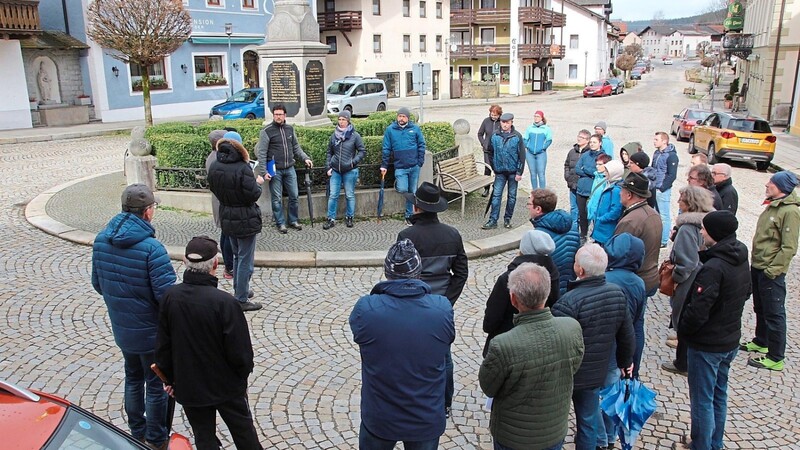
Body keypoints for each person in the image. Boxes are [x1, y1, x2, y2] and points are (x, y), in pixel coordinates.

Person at [154, 236, 261, 450]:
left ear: (185, 262)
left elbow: (163, 344)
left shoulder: (170, 297)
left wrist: (169, 379)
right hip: (227, 385)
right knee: (244, 435)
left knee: (204, 438)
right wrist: (241, 377)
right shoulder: (225, 303)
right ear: (215, 264)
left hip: (189, 384)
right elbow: (240, 352)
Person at [91, 183, 177, 450]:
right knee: (155, 385)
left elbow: (98, 284)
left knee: (132, 377)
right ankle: (156, 438)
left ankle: (135, 432)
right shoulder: (152, 248)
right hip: (151, 332)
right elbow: (166, 296)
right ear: (148, 212)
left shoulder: (101, 240)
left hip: (123, 328)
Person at [350, 239, 455, 449]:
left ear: (388, 272)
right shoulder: (441, 309)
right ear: (418, 271)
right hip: (425, 416)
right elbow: (445, 353)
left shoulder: (367, 309)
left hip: (380, 416)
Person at [480, 263, 584, 450]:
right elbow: (574, 366)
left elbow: (489, 387)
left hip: (513, 437)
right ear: (547, 293)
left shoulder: (503, 344)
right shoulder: (571, 328)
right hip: (553, 431)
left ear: (513, 299)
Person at [678, 210, 750, 450]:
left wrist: (685, 332)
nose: (701, 232)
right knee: (719, 395)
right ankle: (713, 443)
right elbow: (746, 291)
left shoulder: (714, 268)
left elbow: (698, 312)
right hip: (729, 340)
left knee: (702, 401)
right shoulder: (739, 254)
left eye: (705, 229)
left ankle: (701, 445)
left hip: (708, 345)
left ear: (715, 234)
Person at [552, 243, 634, 450]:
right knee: (588, 420)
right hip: (598, 370)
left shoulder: (569, 302)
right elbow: (626, 334)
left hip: (571, 373)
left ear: (580, 270)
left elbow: (556, 342)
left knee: (557, 422)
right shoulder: (617, 293)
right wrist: (626, 362)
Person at [398, 182, 468, 415]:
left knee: (409, 354)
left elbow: (399, 272)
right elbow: (461, 273)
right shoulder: (452, 234)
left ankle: (412, 398)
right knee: (444, 356)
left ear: (416, 208)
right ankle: (445, 402)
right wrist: (447, 300)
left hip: (412, 303)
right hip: (441, 304)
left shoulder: (406, 235)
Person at [741, 171, 800, 371]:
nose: (767, 184)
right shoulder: (773, 204)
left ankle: (775, 356)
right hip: (758, 266)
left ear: (781, 187)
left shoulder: (789, 211)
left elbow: (789, 247)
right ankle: (761, 340)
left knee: (774, 313)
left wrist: (772, 270)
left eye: (772, 182)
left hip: (770, 270)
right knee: (760, 308)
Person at [597, 232, 646, 449]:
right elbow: (637, 326)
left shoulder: (603, 279)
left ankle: (597, 439)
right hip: (619, 354)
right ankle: (609, 437)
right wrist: (632, 360)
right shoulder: (638, 283)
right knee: (612, 395)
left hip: (599, 350)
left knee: (591, 399)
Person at [207, 131, 264, 311]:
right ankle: (241, 297)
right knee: (245, 258)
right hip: (245, 217)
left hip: (227, 214)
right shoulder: (242, 168)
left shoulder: (216, 165)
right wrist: (258, 183)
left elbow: (214, 188)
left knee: (237, 255)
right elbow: (253, 194)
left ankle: (241, 289)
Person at [662, 186, 715, 377]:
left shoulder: (686, 228)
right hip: (702, 276)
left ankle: (682, 362)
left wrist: (676, 280)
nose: (678, 203)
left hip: (689, 279)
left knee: (684, 316)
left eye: (681, 199)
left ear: (690, 203)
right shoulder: (707, 223)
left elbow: (687, 262)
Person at [482, 230, 560, 356]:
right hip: (539, 342)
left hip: (507, 344)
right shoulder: (552, 275)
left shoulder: (508, 279)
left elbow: (491, 319)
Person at [255, 104, 313, 234]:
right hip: (275, 170)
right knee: (276, 198)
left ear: (285, 115)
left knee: (294, 195)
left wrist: (305, 158)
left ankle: (293, 220)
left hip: (289, 168)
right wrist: (264, 172)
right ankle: (280, 223)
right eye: (276, 114)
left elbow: (296, 147)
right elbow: (262, 153)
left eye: (280, 114)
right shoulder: (266, 131)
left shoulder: (290, 129)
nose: (278, 117)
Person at [614, 172, 663, 295]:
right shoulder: (654, 214)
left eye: (622, 190)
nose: (620, 193)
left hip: (633, 282)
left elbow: (618, 255)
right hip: (650, 277)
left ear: (629, 195)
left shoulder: (630, 221)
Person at [529, 188, 581, 294]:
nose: (528, 207)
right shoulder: (573, 228)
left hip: (549, 289)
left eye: (529, 204)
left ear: (538, 209)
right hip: (570, 285)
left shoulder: (538, 235)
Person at [381, 107, 427, 224]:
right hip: (400, 166)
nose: (401, 118)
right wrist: (384, 165)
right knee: (403, 189)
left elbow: (421, 144)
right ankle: (400, 184)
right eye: (399, 116)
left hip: (414, 166)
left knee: (412, 192)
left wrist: (420, 161)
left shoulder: (415, 129)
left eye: (403, 116)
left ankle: (410, 215)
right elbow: (386, 148)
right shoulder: (390, 130)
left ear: (408, 118)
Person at [324, 110, 366, 230]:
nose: (341, 122)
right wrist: (328, 167)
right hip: (335, 170)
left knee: (349, 195)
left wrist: (353, 162)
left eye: (344, 120)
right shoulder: (334, 135)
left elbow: (362, 151)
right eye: (340, 119)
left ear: (348, 121)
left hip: (349, 170)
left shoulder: (355, 136)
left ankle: (349, 217)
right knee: (333, 195)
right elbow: (329, 152)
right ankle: (331, 218)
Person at [483, 112, 525, 230]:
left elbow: (522, 155)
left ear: (511, 122)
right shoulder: (494, 135)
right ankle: (493, 220)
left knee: (512, 197)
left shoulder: (517, 136)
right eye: (503, 122)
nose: (504, 125)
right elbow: (490, 152)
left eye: (507, 122)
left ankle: (507, 219)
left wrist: (519, 172)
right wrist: (494, 166)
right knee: (496, 196)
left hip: (513, 172)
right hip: (500, 172)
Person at [205, 129, 234, 280]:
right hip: (221, 200)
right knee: (227, 233)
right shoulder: (217, 159)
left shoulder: (213, 157)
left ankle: (229, 263)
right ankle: (229, 266)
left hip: (219, 200)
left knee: (225, 232)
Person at [587, 159, 624, 246]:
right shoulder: (606, 184)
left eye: (607, 171)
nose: (605, 173)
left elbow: (615, 211)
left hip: (606, 229)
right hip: (600, 227)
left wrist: (602, 219)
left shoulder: (616, 190)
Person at [575, 133, 604, 241]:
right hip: (581, 189)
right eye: (591, 142)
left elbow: (598, 171)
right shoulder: (585, 155)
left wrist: (585, 169)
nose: (592, 144)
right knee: (582, 215)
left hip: (593, 190)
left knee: (593, 215)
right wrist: (589, 171)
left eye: (594, 142)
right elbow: (577, 169)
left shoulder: (602, 156)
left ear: (600, 143)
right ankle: (583, 235)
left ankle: (595, 236)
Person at [652, 131, 679, 247]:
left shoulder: (671, 156)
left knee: (664, 215)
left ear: (664, 141)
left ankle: (663, 240)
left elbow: (672, 175)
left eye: (656, 140)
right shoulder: (657, 153)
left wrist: (662, 187)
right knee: (655, 214)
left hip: (662, 190)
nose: (654, 141)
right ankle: (656, 237)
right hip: (654, 187)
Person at [564, 129, 592, 228]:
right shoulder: (572, 152)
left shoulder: (590, 154)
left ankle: (583, 230)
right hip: (572, 183)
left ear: (588, 140)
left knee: (584, 209)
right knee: (573, 208)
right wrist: (567, 176)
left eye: (582, 137)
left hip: (583, 186)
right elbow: (567, 164)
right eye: (579, 136)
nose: (579, 139)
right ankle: (574, 229)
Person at [477, 104, 503, 197]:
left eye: (495, 115)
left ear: (499, 115)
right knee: (487, 169)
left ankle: (496, 188)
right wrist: (483, 143)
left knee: (497, 169)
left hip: (498, 150)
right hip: (487, 150)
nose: (493, 116)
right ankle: (486, 189)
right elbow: (480, 134)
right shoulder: (486, 121)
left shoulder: (502, 122)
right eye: (492, 114)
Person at [523, 109, 553, 189]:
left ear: (542, 118)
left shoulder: (546, 129)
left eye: (538, 116)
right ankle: (534, 191)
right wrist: (528, 146)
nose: (536, 118)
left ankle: (542, 192)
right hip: (530, 154)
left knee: (541, 173)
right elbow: (525, 139)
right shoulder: (530, 128)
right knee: (533, 174)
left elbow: (549, 140)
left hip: (541, 154)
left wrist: (543, 148)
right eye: (535, 116)